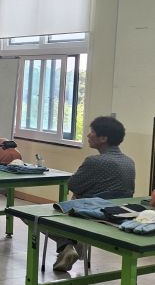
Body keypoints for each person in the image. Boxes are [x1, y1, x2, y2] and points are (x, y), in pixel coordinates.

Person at [53, 116, 136, 272]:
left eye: (92, 132)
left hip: (92, 215)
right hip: (117, 214)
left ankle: (68, 245)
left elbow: (72, 185)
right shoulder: (129, 161)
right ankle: (71, 245)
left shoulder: (94, 161)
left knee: (34, 216)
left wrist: (79, 194)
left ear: (103, 138)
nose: (88, 135)